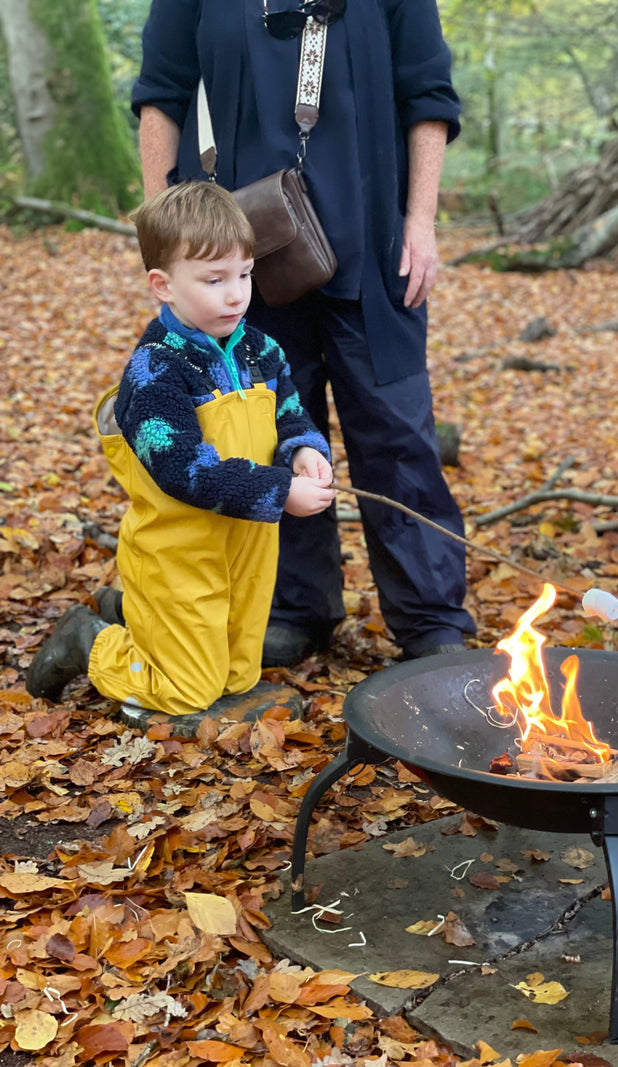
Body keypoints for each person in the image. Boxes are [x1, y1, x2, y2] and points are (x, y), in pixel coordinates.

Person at [130, 0, 477, 666]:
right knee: (268, 429)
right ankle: (295, 606)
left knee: (397, 431)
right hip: (239, 257)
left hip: (376, 247)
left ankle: (432, 619)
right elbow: (160, 95)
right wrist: (168, 230)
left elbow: (428, 94)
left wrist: (421, 221)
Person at [26, 182, 334, 715]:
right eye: (214, 280)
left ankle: (141, 618)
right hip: (179, 550)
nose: (236, 294)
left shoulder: (262, 350)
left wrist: (303, 449)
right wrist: (281, 490)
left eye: (244, 274)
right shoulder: (155, 371)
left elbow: (290, 415)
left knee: (238, 675)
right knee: (187, 689)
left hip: (249, 543)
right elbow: (181, 469)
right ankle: (90, 641)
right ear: (162, 285)